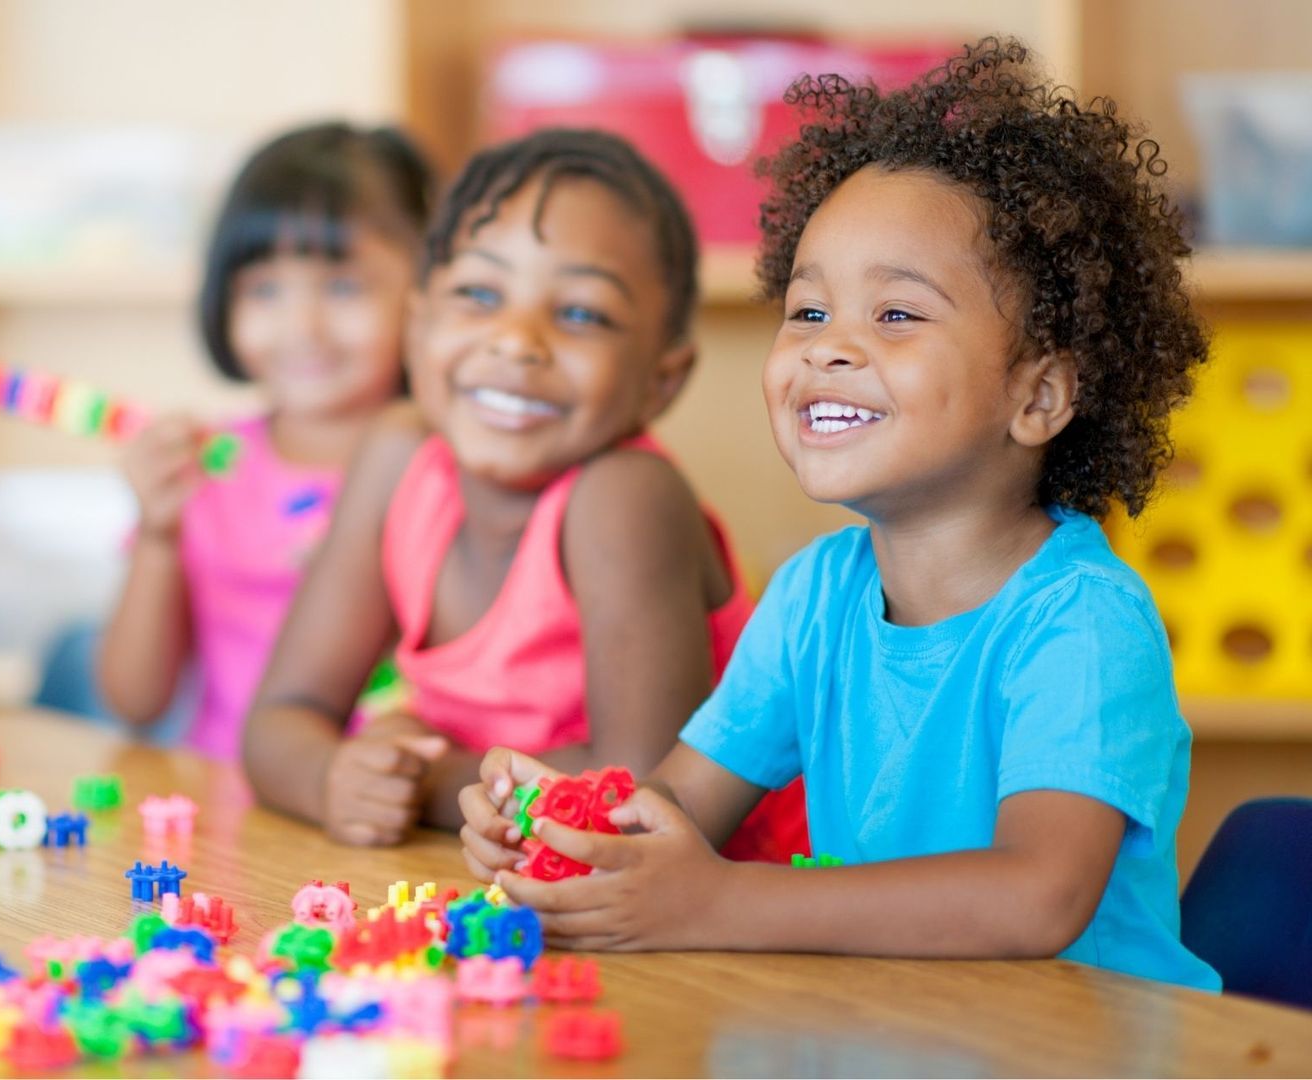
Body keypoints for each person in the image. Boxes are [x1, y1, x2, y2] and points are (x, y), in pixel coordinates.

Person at [460, 39, 1220, 991]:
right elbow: (681, 808)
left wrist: (716, 902)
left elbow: (1035, 896)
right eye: (809, 313)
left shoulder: (1081, 623)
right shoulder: (815, 595)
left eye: (896, 315)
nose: (828, 350)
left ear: (1039, 396)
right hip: (893, 1026)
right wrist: (569, 831)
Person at [246, 129, 806, 855]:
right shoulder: (397, 459)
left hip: (731, 914)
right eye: (479, 294)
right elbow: (278, 720)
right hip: (525, 890)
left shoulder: (625, 497)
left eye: (580, 314)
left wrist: (423, 780)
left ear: (661, 379)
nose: (515, 341)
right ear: (418, 328)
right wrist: (334, 777)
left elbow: (637, 795)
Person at [98, 122, 434, 761]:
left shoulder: (445, 471)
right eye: (265, 290)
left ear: (423, 296)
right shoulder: (206, 467)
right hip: (229, 816)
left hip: (388, 811)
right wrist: (158, 533)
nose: (301, 327)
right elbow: (135, 702)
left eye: (342, 286)